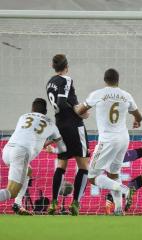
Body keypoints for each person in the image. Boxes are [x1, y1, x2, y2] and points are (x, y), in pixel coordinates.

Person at [74, 68, 142, 215]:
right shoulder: (126, 95)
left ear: (105, 80)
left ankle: (125, 189)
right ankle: (118, 209)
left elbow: (80, 111)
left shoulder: (98, 94)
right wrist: (136, 120)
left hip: (108, 140)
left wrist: (78, 109)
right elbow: (139, 115)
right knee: (113, 173)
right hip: (123, 139)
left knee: (92, 176)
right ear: (118, 80)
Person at [0, 99, 66, 215]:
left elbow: (30, 134)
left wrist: (44, 143)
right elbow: (63, 149)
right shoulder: (51, 124)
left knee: (28, 171)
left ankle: (17, 204)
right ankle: (16, 201)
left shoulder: (23, 117)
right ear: (45, 111)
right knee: (12, 191)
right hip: (20, 153)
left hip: (7, 150)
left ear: (32, 109)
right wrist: (52, 148)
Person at [46, 54, 90, 216]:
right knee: (83, 165)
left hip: (59, 126)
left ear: (52, 65)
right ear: (66, 67)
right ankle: (76, 203)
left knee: (61, 165)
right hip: (74, 125)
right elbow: (62, 101)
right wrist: (80, 112)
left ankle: (53, 203)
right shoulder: (66, 80)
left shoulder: (49, 83)